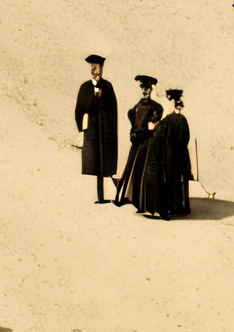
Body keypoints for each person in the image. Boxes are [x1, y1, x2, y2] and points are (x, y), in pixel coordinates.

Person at [138, 88, 193, 220]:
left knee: (158, 178)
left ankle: (160, 210)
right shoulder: (180, 119)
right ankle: (167, 208)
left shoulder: (168, 120)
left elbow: (158, 137)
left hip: (165, 156)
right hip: (175, 156)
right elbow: (185, 138)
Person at [75, 54, 119, 204]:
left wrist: (111, 132)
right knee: (94, 165)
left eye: (97, 66)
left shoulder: (108, 86)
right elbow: (79, 110)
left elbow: (113, 111)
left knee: (105, 165)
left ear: (102, 69)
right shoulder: (85, 87)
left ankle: (108, 195)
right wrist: (81, 130)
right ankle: (98, 197)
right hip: (92, 133)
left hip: (105, 132)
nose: (94, 69)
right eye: (92, 66)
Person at [116, 75, 160, 207]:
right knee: (130, 167)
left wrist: (147, 128)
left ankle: (141, 201)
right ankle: (124, 197)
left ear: (151, 89)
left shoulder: (156, 107)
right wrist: (134, 129)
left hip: (147, 143)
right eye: (142, 88)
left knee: (143, 171)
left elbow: (154, 123)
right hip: (135, 140)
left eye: (147, 88)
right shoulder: (137, 105)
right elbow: (130, 114)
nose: (145, 91)